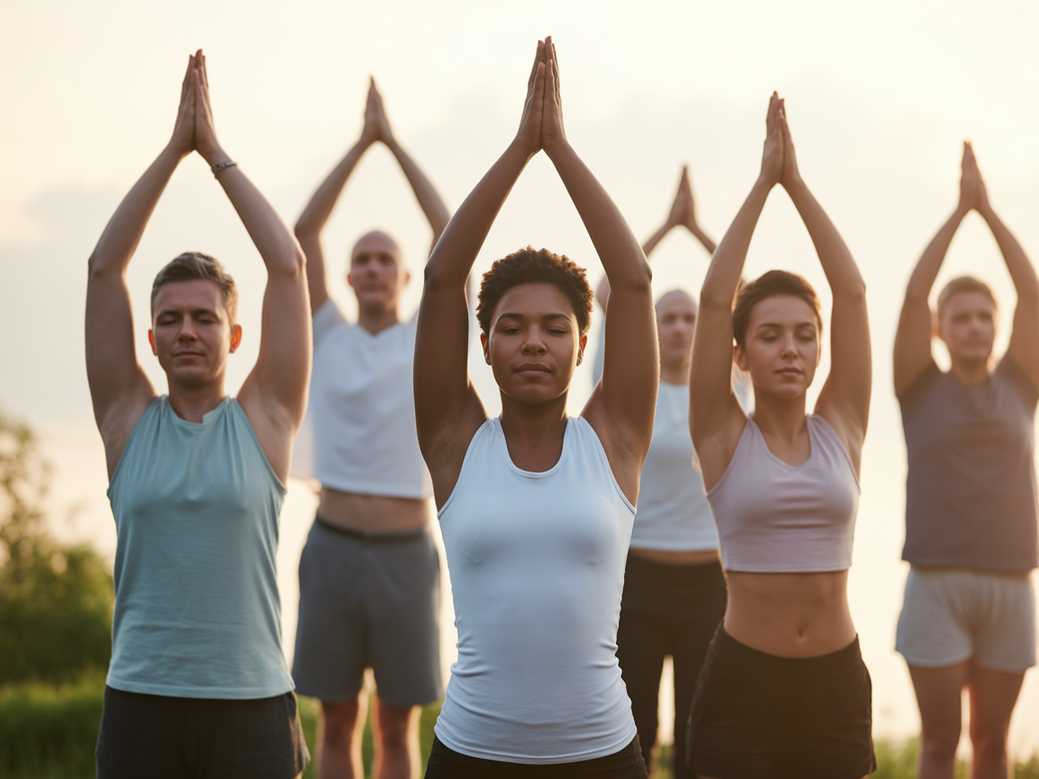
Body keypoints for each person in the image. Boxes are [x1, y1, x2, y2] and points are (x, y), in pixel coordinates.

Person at [414, 38, 657, 778]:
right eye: (511, 327)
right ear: (484, 346)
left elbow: (633, 280)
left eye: (554, 328)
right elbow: (442, 276)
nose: (532, 342)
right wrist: (521, 149)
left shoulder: (612, 440)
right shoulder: (455, 441)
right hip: (471, 754)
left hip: (602, 754)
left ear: (583, 346)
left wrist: (561, 150)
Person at [86, 51, 311, 779]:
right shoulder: (126, 421)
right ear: (149, 338)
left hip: (252, 706)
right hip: (140, 701)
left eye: (205, 318)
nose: (187, 330)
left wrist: (213, 154)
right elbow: (103, 269)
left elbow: (289, 268)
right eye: (170, 319)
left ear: (234, 336)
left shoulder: (265, 419)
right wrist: (170, 151)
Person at [686, 93, 874, 779]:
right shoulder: (720, 435)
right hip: (743, 686)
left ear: (820, 348)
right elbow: (715, 301)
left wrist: (796, 183)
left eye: (803, 335)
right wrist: (762, 185)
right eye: (769, 335)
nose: (790, 348)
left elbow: (852, 294)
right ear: (739, 355)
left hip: (835, 685)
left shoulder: (842, 427)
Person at [290, 77, 450, 779]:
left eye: (387, 259)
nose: (374, 267)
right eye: (362, 259)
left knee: (396, 723)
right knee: (335, 719)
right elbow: (302, 234)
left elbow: (449, 230)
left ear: (408, 277)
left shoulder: (422, 340)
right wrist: (361, 146)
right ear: (349, 277)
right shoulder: (326, 332)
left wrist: (395, 144)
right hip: (331, 547)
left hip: (406, 553)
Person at [893, 142, 1038, 779]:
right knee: (939, 740)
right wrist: (958, 214)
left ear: (997, 327)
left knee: (992, 744)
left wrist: (989, 211)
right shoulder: (919, 386)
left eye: (985, 317)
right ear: (941, 329)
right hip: (936, 582)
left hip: (1011, 581)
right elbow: (914, 294)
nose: (975, 326)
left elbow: (1031, 293)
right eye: (962, 318)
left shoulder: (1021, 385)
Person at [594, 167, 727, 778]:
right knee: (635, 728)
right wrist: (665, 227)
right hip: (636, 581)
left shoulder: (728, 389)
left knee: (703, 729)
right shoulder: (629, 386)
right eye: (666, 317)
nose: (678, 326)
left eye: (690, 317)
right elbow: (608, 289)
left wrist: (697, 230)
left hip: (710, 584)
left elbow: (743, 293)